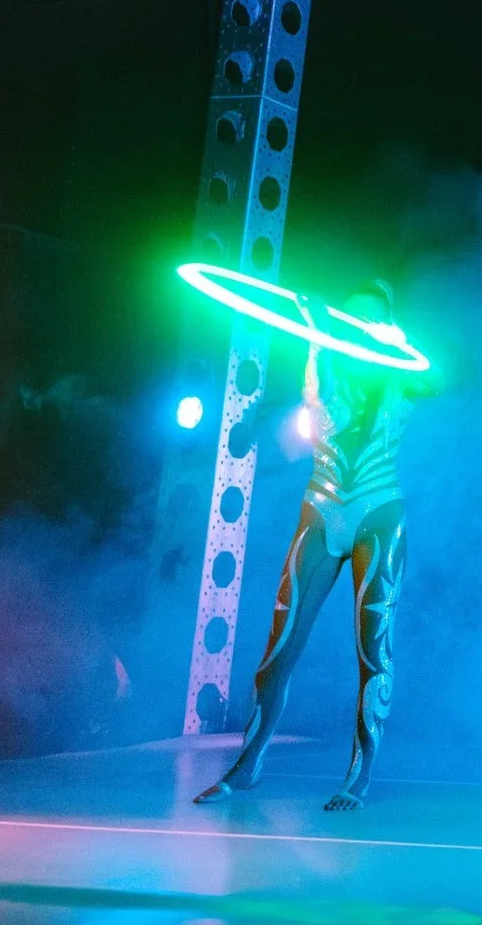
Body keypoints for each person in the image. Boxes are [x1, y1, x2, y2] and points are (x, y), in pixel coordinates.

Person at [195, 280, 426, 811]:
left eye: (372, 318)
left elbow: (434, 377)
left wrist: (395, 340)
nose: (360, 326)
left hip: (378, 513)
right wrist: (314, 320)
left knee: (373, 649)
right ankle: (247, 767)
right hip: (322, 508)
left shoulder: (400, 370)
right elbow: (318, 397)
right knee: (279, 647)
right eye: (354, 317)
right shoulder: (321, 356)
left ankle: (359, 775)